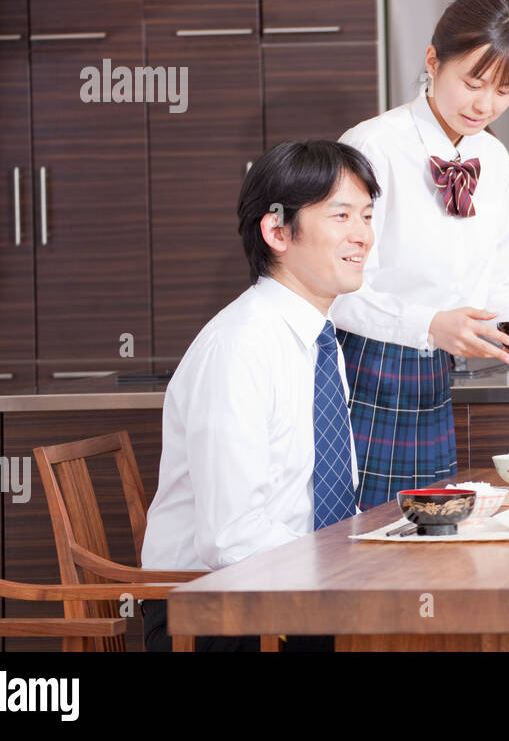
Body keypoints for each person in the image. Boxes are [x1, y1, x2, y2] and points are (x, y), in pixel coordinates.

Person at [140, 140, 380, 651]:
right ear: (276, 231)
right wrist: (349, 564)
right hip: (217, 612)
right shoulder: (240, 347)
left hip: (291, 593)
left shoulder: (318, 339)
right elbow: (231, 538)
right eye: (341, 215)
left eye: (367, 215)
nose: (363, 235)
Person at [333, 0, 509, 508]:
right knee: (363, 541)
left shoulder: (494, 156)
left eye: (505, 90)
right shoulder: (372, 147)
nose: (486, 104)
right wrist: (428, 324)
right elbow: (337, 288)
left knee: (430, 535)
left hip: (433, 377)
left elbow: (496, 279)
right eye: (474, 82)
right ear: (431, 61)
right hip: (366, 372)